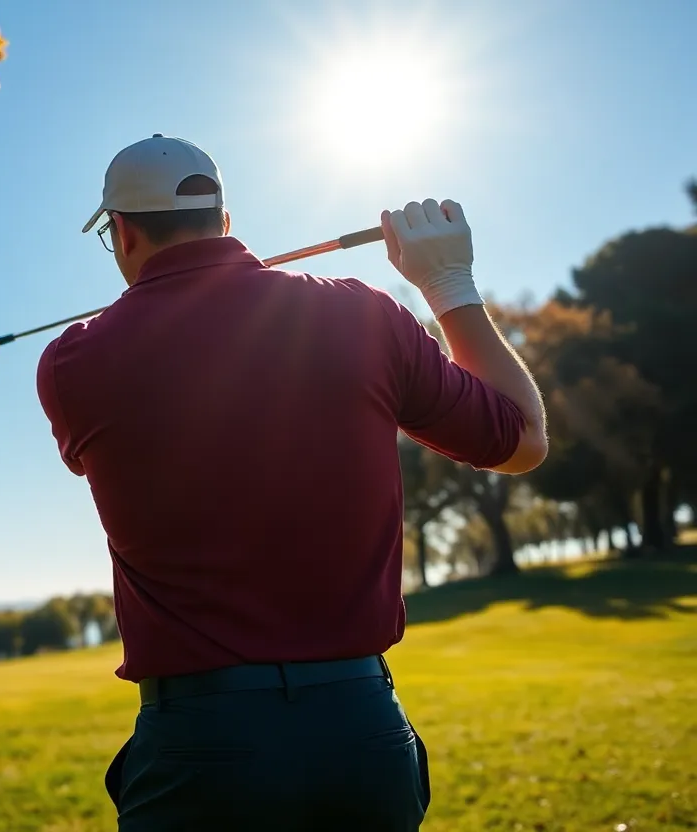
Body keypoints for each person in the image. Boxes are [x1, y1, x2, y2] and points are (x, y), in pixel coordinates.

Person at [34, 134, 548, 830]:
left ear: (120, 233)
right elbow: (521, 440)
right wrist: (448, 283)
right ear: (225, 219)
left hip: (197, 744)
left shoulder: (71, 365)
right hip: (359, 731)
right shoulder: (365, 314)